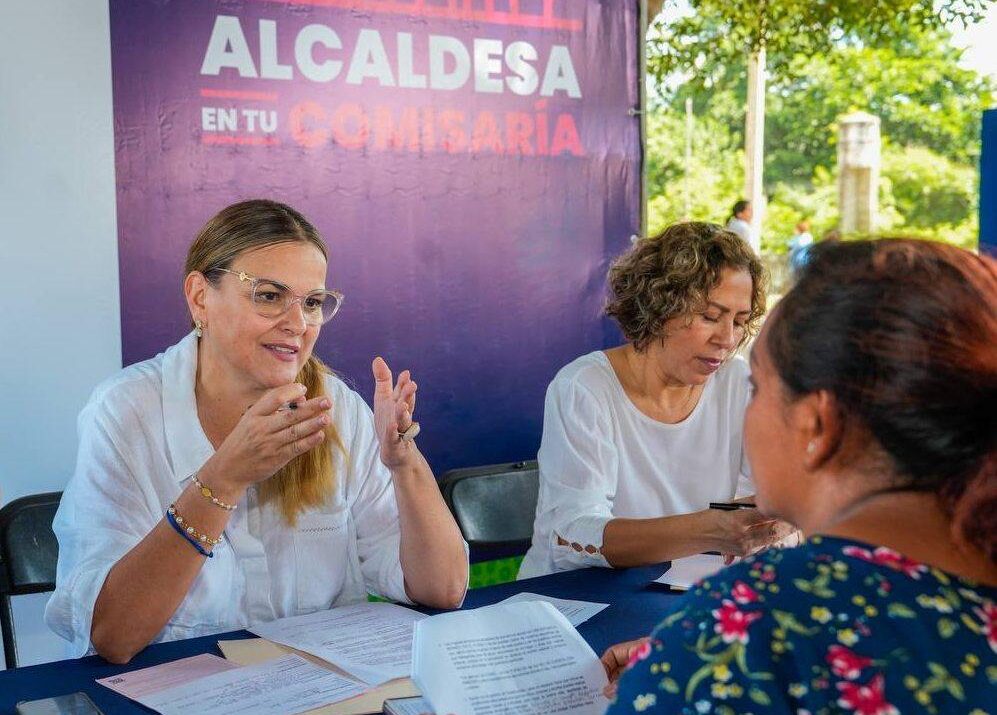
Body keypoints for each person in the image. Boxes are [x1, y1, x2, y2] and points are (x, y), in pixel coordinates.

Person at [46, 199, 469, 664]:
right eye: (268, 296)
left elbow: (442, 589)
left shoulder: (336, 406)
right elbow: (113, 635)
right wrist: (223, 479)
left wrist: (404, 464)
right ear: (200, 297)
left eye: (311, 303)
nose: (297, 324)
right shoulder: (125, 410)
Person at [603, 238, 997, 713]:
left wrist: (691, 662)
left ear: (817, 425)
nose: (726, 340)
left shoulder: (749, 627)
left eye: (758, 387)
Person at [518, 222, 794, 579]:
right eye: (710, 316)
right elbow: (572, 538)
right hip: (578, 595)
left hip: (681, 589)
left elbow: (779, 493)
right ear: (658, 307)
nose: (727, 338)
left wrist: (785, 516)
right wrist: (707, 530)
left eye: (740, 321)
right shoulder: (585, 387)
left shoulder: (737, 383)